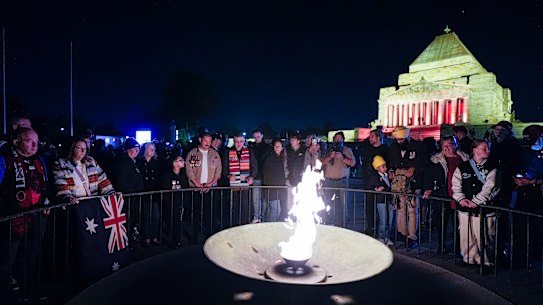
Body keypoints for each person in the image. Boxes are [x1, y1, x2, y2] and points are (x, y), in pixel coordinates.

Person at [0, 128, 51, 303]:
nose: (35, 145)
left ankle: (28, 290)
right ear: (17, 142)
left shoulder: (39, 161)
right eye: (30, 141)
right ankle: (5, 295)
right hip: (12, 219)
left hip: (37, 217)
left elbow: (45, 185)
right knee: (7, 259)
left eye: (37, 141)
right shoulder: (5, 160)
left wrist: (46, 202)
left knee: (32, 256)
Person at [452, 139, 500, 266]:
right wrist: (461, 198)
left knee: (485, 236)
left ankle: (486, 262)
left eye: (487, 148)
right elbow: (456, 185)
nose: (487, 151)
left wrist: (477, 201)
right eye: (484, 148)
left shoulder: (492, 167)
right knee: (466, 235)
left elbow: (491, 187)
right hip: (465, 208)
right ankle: (468, 258)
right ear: (474, 150)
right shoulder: (463, 167)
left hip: (485, 208)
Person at [422, 136, 469, 253]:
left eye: (449, 145)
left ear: (455, 144)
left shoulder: (465, 158)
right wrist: (428, 189)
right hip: (443, 194)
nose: (447, 148)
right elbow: (428, 175)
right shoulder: (436, 160)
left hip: (460, 196)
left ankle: (458, 247)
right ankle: (441, 245)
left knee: (459, 223)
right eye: (444, 146)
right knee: (441, 222)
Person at [387, 126, 427, 249]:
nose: (398, 141)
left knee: (412, 211)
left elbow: (424, 162)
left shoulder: (418, 146)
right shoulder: (393, 147)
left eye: (400, 139)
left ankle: (412, 236)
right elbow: (390, 162)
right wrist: (391, 170)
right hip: (398, 184)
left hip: (413, 184)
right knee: (400, 210)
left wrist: (414, 168)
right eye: (397, 139)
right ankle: (402, 233)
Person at [53, 138, 115, 203]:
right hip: (75, 205)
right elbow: (60, 184)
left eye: (85, 149)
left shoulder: (91, 162)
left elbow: (103, 180)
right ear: (72, 148)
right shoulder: (61, 164)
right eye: (79, 148)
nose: (83, 151)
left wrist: (110, 193)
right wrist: (68, 198)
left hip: (91, 202)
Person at [185, 133, 222, 241]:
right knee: (196, 213)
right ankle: (195, 236)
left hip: (210, 188)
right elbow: (189, 170)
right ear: (200, 139)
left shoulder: (214, 154)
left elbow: (218, 171)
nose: (208, 143)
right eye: (205, 141)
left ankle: (210, 235)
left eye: (210, 141)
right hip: (195, 189)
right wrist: (197, 184)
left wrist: (211, 183)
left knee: (210, 213)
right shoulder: (192, 153)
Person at [112, 137, 145, 247]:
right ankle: (127, 243)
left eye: (138, 150)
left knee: (133, 221)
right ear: (128, 150)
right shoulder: (123, 163)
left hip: (134, 198)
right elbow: (121, 182)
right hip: (129, 199)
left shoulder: (132, 162)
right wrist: (133, 192)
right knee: (128, 222)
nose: (137, 152)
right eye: (135, 149)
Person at [320, 131, 356, 227]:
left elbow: (352, 163)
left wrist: (343, 157)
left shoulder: (347, 150)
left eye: (340, 138)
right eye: (336, 138)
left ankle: (343, 225)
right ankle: (328, 223)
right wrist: (330, 156)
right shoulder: (328, 150)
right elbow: (321, 162)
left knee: (343, 205)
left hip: (342, 181)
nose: (338, 140)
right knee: (328, 203)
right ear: (333, 140)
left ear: (343, 140)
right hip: (329, 180)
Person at [362, 129, 389, 234]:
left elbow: (387, 168)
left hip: (381, 185)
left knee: (382, 209)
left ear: (379, 137)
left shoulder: (385, 150)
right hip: (369, 183)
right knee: (369, 207)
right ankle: (370, 228)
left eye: (372, 136)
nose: (370, 138)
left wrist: (382, 184)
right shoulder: (368, 150)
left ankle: (382, 231)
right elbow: (365, 167)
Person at [227, 134, 257, 225]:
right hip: (233, 183)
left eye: (241, 141)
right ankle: (234, 224)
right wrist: (228, 176)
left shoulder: (249, 151)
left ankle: (244, 224)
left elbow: (254, 166)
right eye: (236, 141)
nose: (239, 144)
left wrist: (252, 177)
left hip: (245, 182)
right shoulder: (228, 151)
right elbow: (224, 167)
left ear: (244, 141)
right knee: (234, 205)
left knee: (245, 205)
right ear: (234, 142)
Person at [137, 142, 162, 247]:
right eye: (150, 149)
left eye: (153, 149)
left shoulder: (156, 163)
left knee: (155, 216)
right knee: (145, 216)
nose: (152, 151)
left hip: (154, 192)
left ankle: (154, 236)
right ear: (145, 150)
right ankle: (146, 237)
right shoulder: (139, 162)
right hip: (144, 192)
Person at [161, 153, 189, 247]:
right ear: (174, 163)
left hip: (179, 201)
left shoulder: (183, 174)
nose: (183, 162)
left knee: (178, 222)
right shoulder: (167, 174)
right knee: (172, 221)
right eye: (180, 160)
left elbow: (186, 187)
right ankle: (173, 240)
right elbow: (165, 188)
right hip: (170, 202)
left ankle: (177, 240)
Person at [366, 155, 394, 246]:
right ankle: (381, 237)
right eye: (383, 166)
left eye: (385, 165)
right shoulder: (375, 177)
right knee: (383, 219)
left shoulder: (388, 175)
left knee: (390, 219)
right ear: (377, 168)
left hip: (389, 200)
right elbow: (370, 186)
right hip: (381, 201)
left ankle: (387, 236)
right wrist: (377, 188)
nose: (385, 168)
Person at [262, 138, 288, 222]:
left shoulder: (281, 159)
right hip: (272, 188)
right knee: (275, 209)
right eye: (275, 146)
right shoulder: (270, 158)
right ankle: (270, 228)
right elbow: (267, 173)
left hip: (278, 188)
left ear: (282, 148)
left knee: (273, 209)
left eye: (279, 146)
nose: (277, 148)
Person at [249, 129, 271, 223]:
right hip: (256, 176)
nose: (256, 138)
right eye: (254, 137)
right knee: (256, 198)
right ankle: (257, 217)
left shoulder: (267, 147)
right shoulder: (252, 147)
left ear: (262, 136)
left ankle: (262, 217)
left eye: (258, 136)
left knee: (264, 199)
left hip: (265, 176)